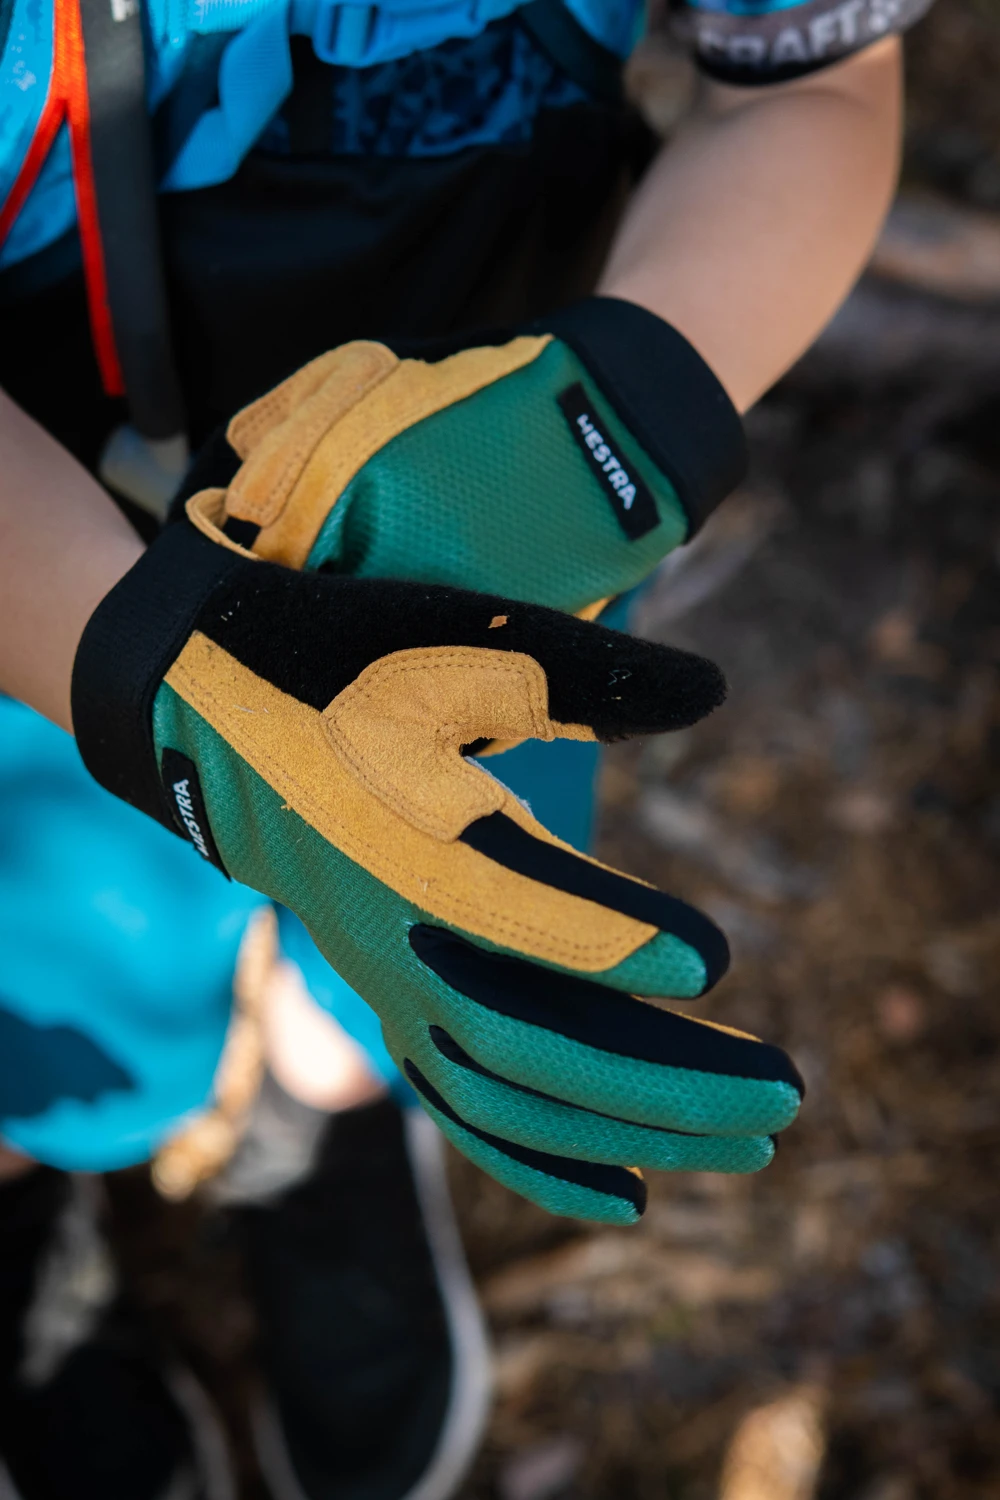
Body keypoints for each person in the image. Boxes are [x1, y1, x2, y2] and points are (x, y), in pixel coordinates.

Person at [0, 0, 917, 1491]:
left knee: (440, 885)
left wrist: (609, 427)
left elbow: (812, 86)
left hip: (480, 532)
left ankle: (333, 1099)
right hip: (28, 564)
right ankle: (43, 1157)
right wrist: (147, 676)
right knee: (61, 966)